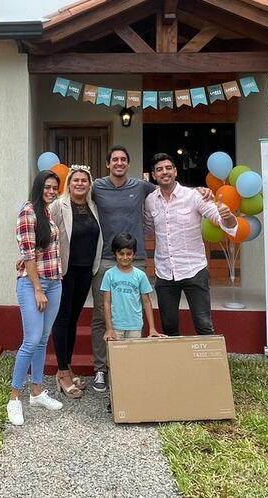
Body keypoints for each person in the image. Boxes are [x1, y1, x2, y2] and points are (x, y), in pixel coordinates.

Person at [144, 153, 237, 336]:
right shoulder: (150, 201)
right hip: (164, 272)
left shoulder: (194, 196)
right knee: (169, 325)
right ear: (154, 175)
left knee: (203, 324)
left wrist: (228, 218)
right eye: (159, 170)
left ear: (175, 171)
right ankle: (176, 363)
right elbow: (146, 228)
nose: (165, 172)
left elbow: (219, 219)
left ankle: (208, 363)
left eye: (168, 168)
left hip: (194, 269)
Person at [89, 145, 155, 392]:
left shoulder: (140, 186)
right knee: (100, 315)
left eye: (123, 159)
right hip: (106, 259)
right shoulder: (97, 187)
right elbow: (72, 195)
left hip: (135, 258)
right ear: (108, 164)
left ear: (128, 164)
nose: (119, 162)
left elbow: (168, 190)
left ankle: (132, 367)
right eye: (114, 159)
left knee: (135, 311)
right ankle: (101, 369)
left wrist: (200, 190)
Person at [7, 170, 64, 426]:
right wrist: (38, 288)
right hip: (34, 286)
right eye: (48, 187)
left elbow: (40, 248)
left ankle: (37, 392)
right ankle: (14, 399)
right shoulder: (28, 211)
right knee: (30, 340)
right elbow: (28, 255)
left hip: (54, 282)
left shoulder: (48, 212)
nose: (51, 191)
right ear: (39, 186)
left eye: (55, 188)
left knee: (42, 339)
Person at [48, 165, 102, 399]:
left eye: (84, 181)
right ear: (68, 184)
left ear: (89, 185)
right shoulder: (58, 206)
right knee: (62, 319)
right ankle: (61, 372)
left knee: (72, 320)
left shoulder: (93, 207)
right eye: (75, 180)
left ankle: (67, 367)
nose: (80, 184)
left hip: (84, 271)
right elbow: (43, 231)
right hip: (65, 272)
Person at [101, 232, 166, 342]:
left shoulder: (140, 275)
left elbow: (147, 302)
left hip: (135, 326)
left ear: (134, 254)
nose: (125, 257)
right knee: (117, 358)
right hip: (116, 326)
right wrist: (109, 328)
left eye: (129, 254)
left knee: (133, 357)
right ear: (115, 254)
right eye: (121, 253)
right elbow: (106, 302)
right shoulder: (109, 274)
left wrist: (152, 328)